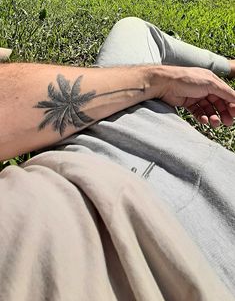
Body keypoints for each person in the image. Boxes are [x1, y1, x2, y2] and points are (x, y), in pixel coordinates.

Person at [0, 17, 235, 301]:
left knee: (133, 29)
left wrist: (157, 81)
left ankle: (229, 66)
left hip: (100, 144)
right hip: (166, 234)